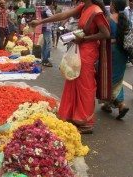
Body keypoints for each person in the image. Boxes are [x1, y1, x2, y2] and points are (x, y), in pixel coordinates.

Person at [31, 0, 111, 134]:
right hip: (80, 49)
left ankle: (86, 122)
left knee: (85, 85)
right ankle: (74, 116)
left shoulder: (96, 11)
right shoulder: (84, 7)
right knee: (73, 80)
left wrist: (84, 39)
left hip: (88, 52)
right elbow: (63, 15)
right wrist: (40, 22)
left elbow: (106, 34)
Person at [101, 0, 130, 119]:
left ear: (113, 6)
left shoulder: (108, 19)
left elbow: (104, 35)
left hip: (110, 51)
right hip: (123, 53)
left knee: (108, 78)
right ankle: (107, 104)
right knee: (117, 78)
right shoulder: (126, 20)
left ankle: (121, 104)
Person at [41, 0, 54, 67]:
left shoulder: (44, 8)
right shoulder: (48, 10)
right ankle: (45, 60)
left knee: (45, 44)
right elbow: (53, 18)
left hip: (44, 28)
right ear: (51, 3)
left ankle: (43, 59)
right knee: (48, 45)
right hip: (47, 28)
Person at [124, 0, 133, 65]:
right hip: (126, 29)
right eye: (130, 1)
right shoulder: (125, 9)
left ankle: (132, 57)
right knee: (127, 44)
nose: (131, 2)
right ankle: (127, 57)